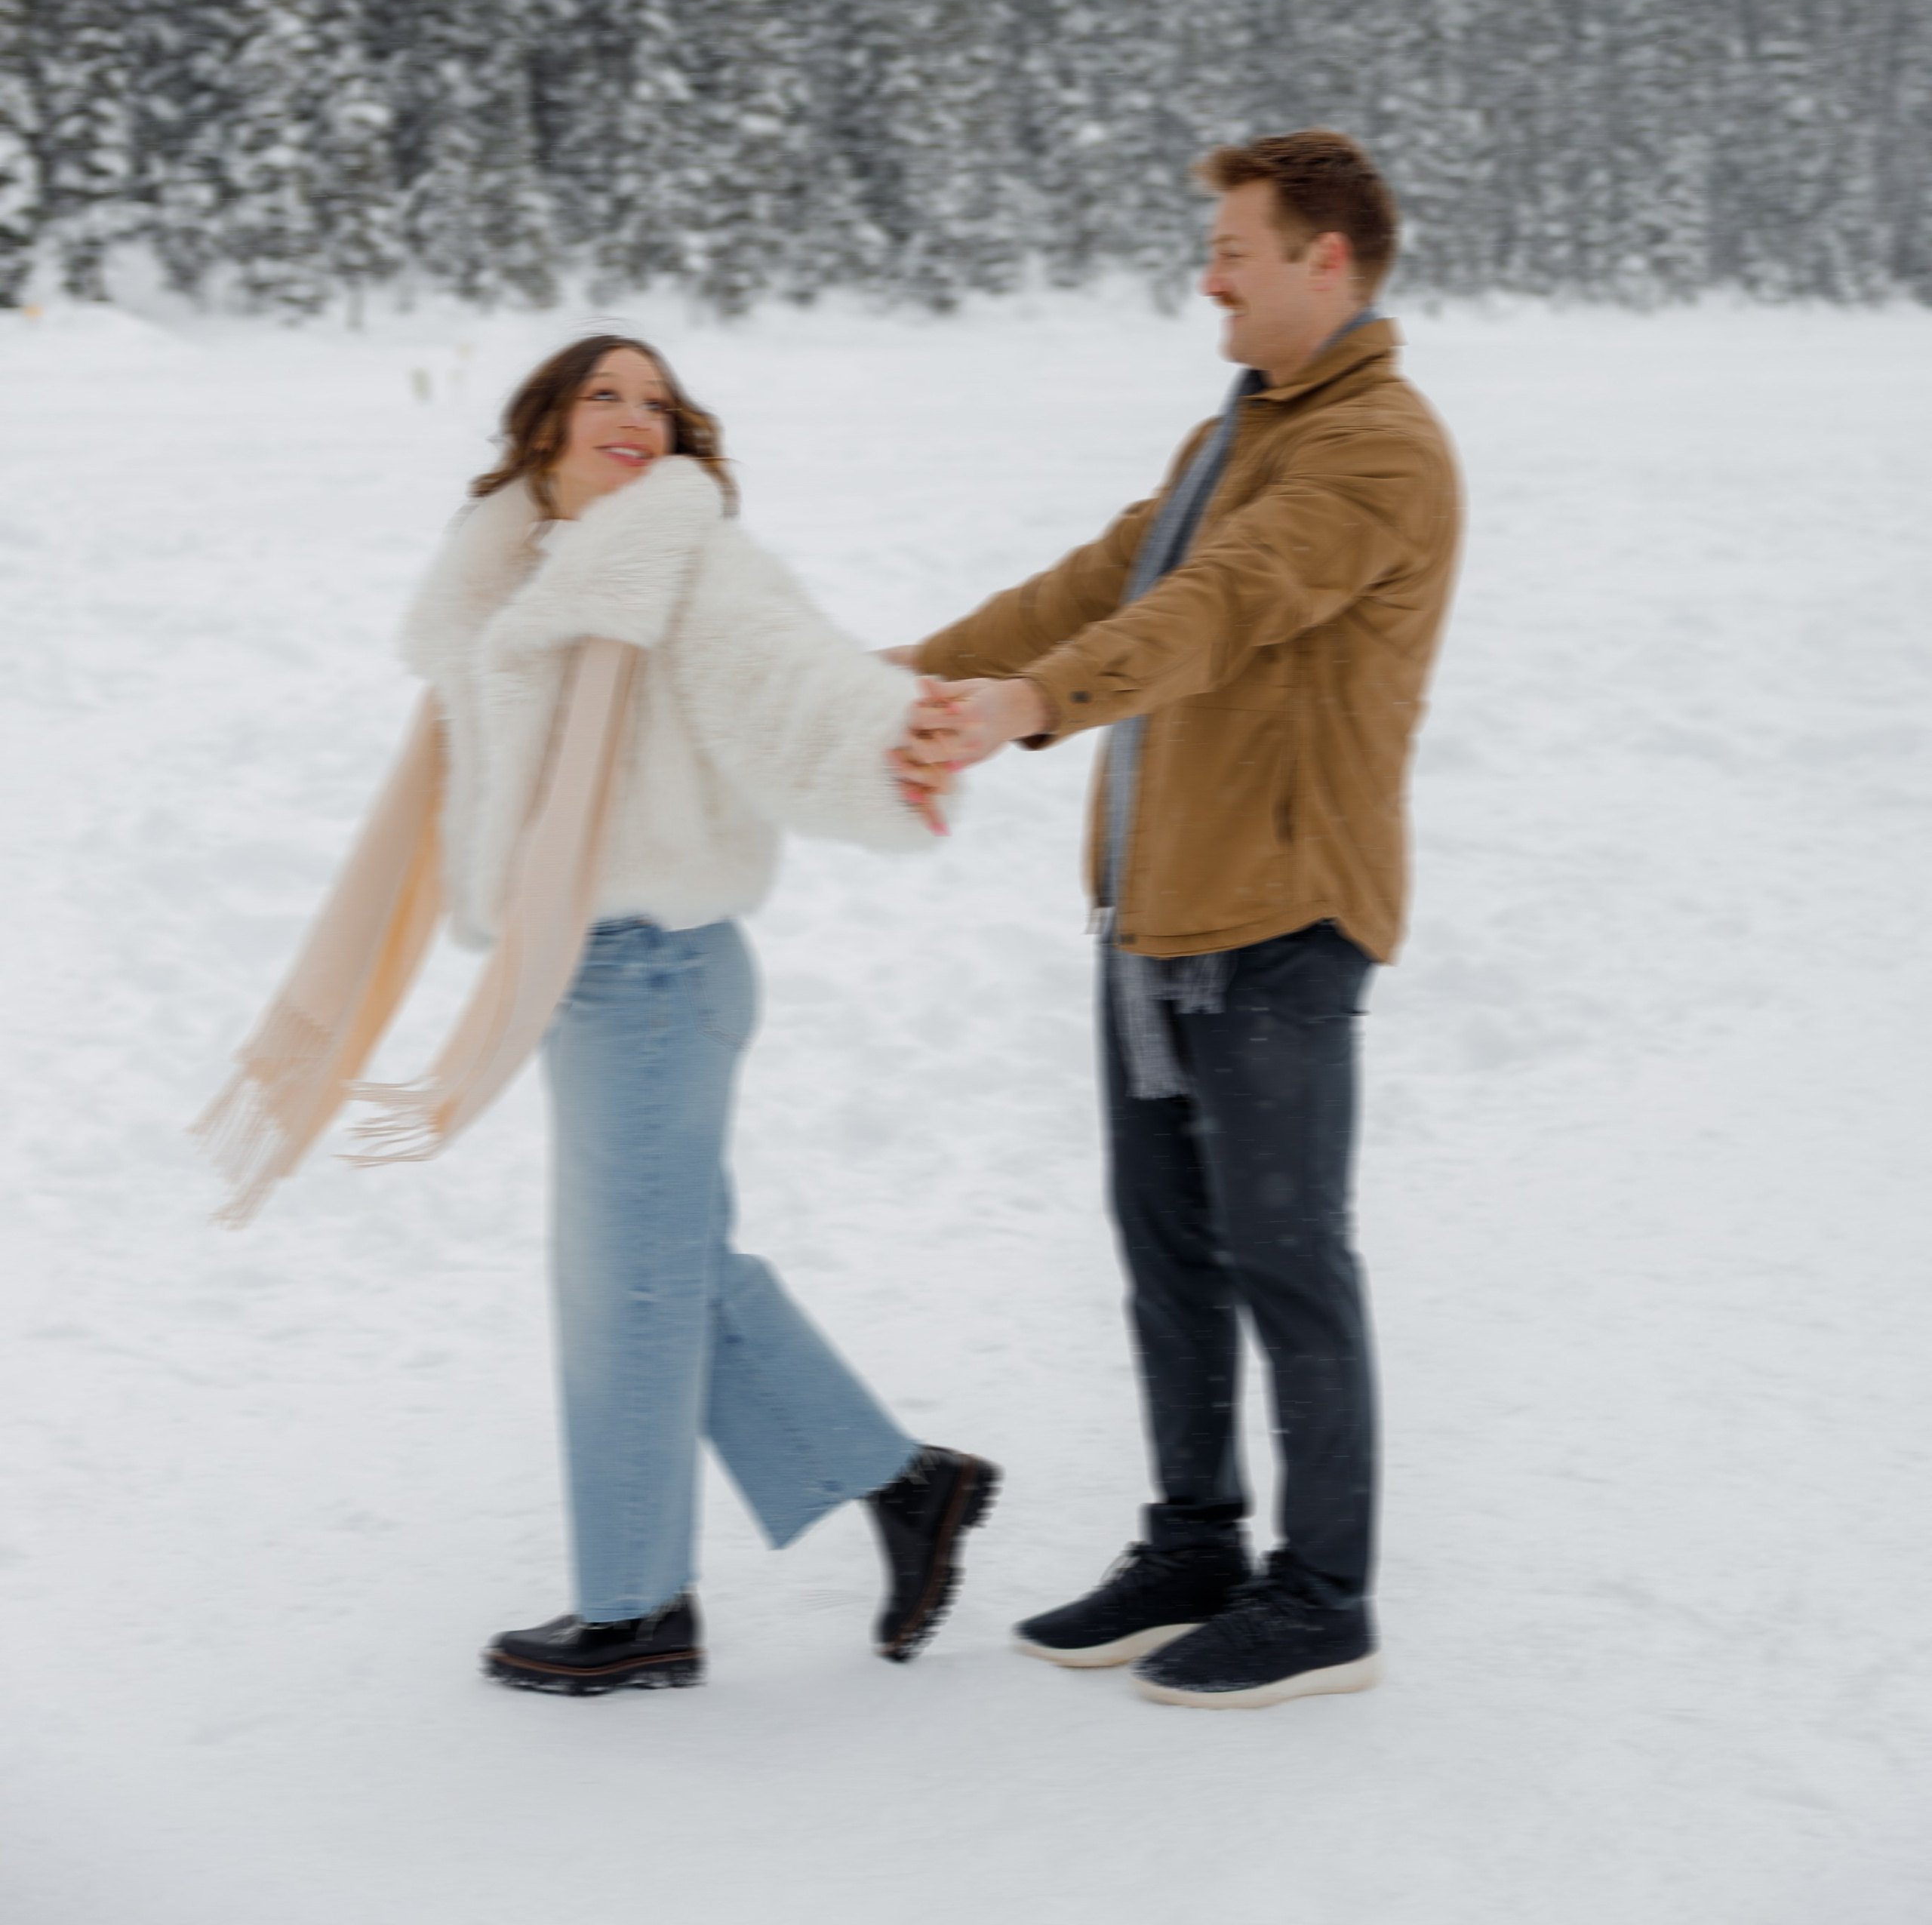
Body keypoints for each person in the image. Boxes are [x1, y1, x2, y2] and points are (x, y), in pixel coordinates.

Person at [197, 334, 998, 1697]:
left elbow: (790, 678)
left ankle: (638, 1609)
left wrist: (893, 741)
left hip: (658, 970)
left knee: (627, 1287)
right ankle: (907, 1487)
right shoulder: (517, 577)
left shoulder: (684, 562)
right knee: (667, 1269)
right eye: (604, 395)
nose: (636, 418)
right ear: (548, 427)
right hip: (587, 973)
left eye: (658, 403)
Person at [906, 131, 1460, 1711]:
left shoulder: (1376, 451)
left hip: (1279, 919)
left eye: (1231, 249)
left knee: (1287, 1258)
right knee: (1166, 1251)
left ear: (1323, 261)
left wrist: (1025, 709)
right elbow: (1102, 581)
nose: (1205, 278)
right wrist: (902, 684)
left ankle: (1325, 1597)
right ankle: (1195, 1545)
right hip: (1158, 911)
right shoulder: (1240, 429)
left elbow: (1215, 612)